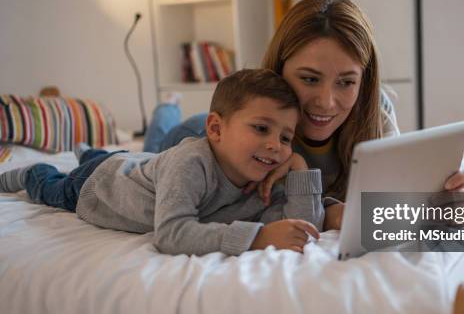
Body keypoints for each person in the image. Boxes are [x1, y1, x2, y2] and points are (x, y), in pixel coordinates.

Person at [143, 0, 464, 230]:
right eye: (310, 79)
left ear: (364, 82)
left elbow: (393, 192)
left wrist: (440, 198)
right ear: (280, 69)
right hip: (195, 131)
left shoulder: (374, 110)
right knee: (155, 145)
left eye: (346, 82)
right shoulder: (248, 140)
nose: (326, 102)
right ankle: (166, 110)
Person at [0, 69, 324, 256]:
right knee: (52, 186)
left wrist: (298, 165)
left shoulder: (264, 175)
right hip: (100, 185)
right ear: (215, 128)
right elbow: (172, 234)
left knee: (109, 156)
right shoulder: (192, 162)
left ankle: (88, 150)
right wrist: (258, 238)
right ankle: (34, 169)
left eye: (285, 138)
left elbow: (305, 229)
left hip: (138, 165)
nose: (275, 146)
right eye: (261, 128)